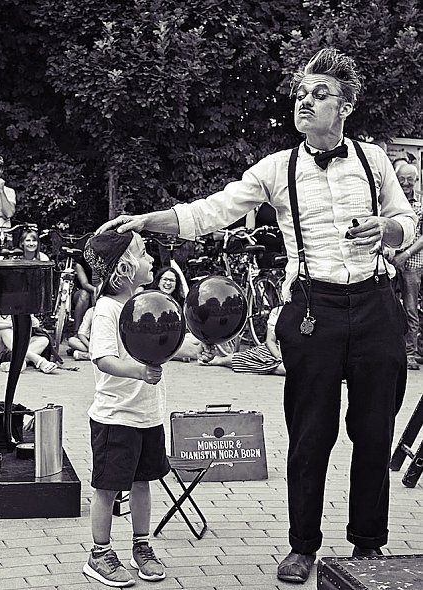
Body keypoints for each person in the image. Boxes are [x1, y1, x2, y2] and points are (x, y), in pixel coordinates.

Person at [97, 48, 415, 584]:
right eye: (300, 94)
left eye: (320, 94)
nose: (306, 102)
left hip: (376, 304)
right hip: (313, 310)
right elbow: (211, 210)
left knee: (373, 432)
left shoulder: (374, 159)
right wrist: (149, 218)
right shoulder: (275, 168)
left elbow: (407, 221)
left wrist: (388, 231)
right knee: (311, 435)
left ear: (347, 106)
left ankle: (368, 545)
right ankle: (302, 547)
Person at [80, 230, 168, 587]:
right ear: (125, 269)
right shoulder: (107, 309)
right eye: (144, 254)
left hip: (148, 414)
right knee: (108, 487)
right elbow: (102, 358)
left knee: (143, 482)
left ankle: (141, 546)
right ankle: (99, 554)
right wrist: (141, 371)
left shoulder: (144, 303)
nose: (151, 260)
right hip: (116, 417)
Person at [387, 161, 423, 370]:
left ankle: (410, 354)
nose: (407, 183)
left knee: (410, 309)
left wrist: (405, 254)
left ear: (416, 180)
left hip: (412, 264)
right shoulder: (389, 203)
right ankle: (391, 349)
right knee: (387, 307)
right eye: (403, 179)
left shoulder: (420, 204)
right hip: (389, 262)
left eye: (411, 179)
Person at [199, 306, 286, 376]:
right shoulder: (278, 311)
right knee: (249, 358)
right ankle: (220, 360)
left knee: (290, 368)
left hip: (294, 353)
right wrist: (279, 356)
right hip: (276, 351)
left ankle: (270, 368)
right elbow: (270, 341)